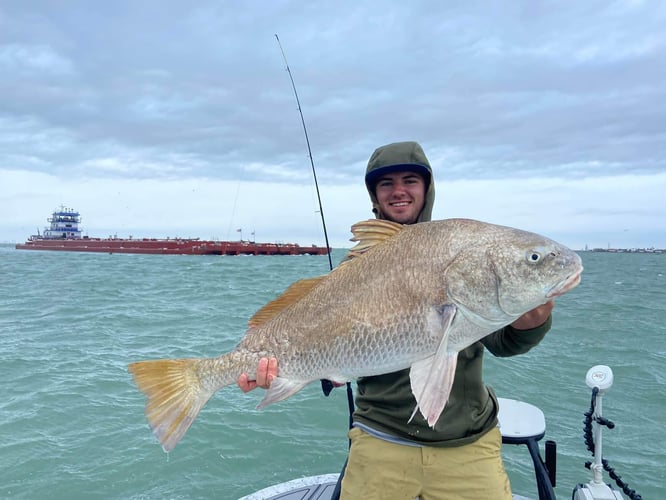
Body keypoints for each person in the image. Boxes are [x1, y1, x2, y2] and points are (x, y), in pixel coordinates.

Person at [238, 141, 554, 499]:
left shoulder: (461, 251)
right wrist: (283, 373)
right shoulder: (352, 270)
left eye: (410, 180)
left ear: (427, 188)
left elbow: (505, 343)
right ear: (374, 195)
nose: (399, 191)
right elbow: (331, 351)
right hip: (379, 437)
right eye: (386, 183)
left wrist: (532, 319)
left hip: (467, 443)